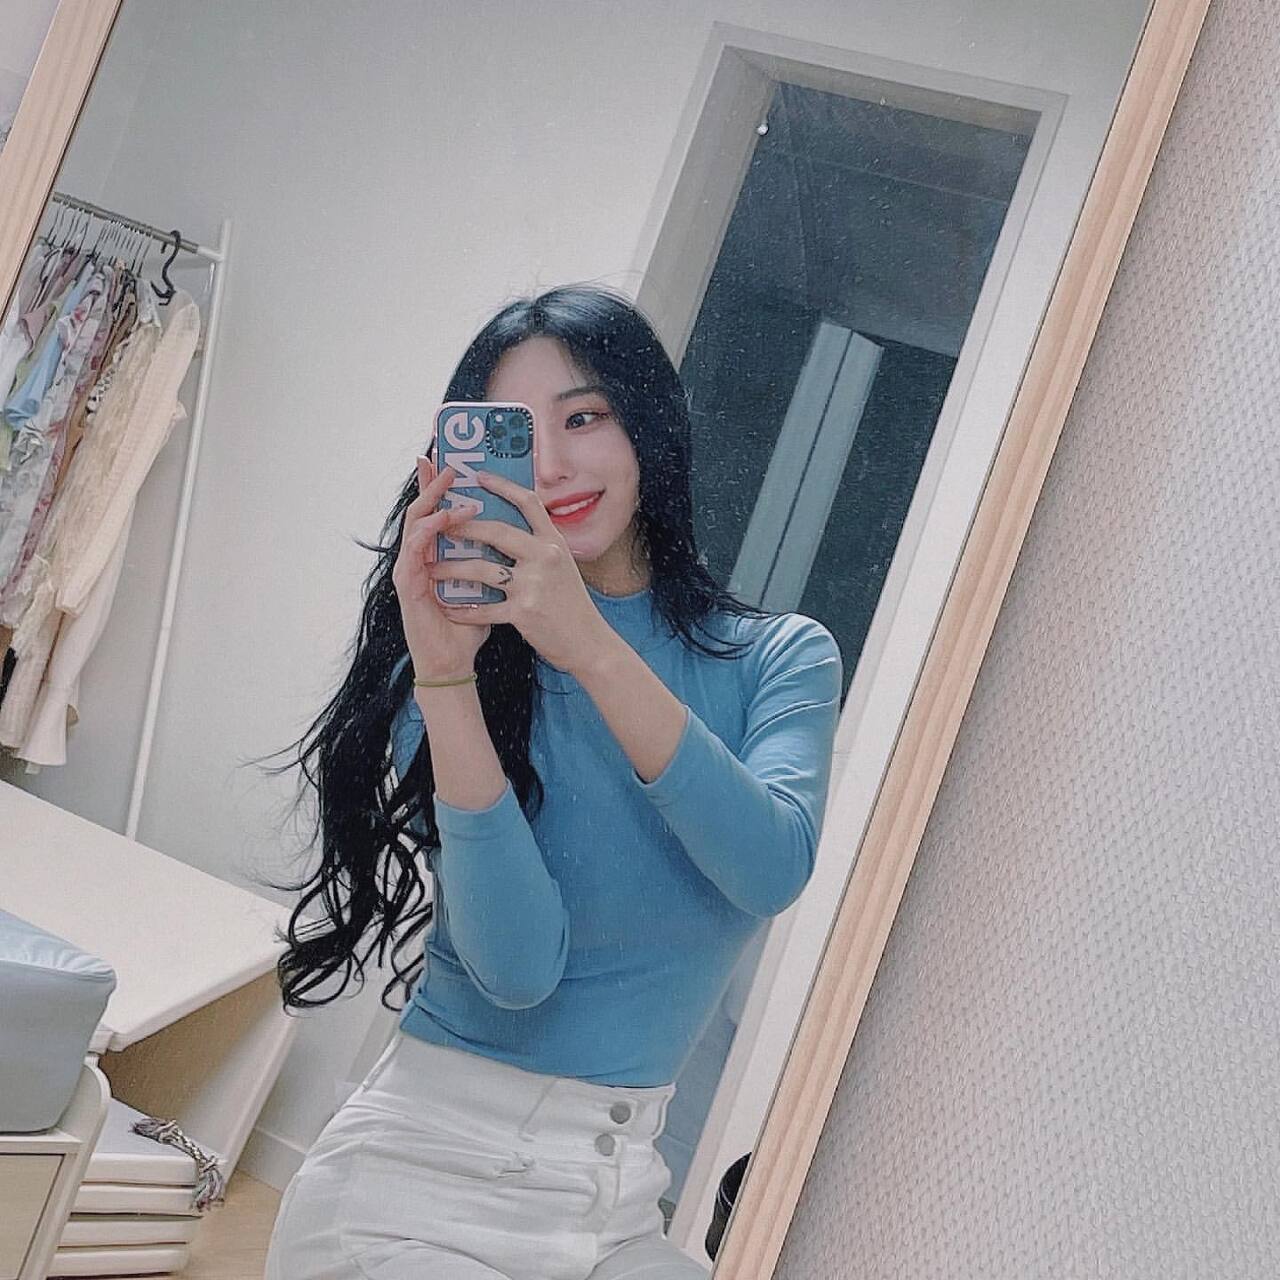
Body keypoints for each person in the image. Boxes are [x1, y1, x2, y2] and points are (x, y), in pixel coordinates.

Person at [264, 284, 842, 1279]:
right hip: (416, 1187)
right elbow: (518, 967)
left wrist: (588, 644)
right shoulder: (453, 666)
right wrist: (445, 678)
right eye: (515, 435)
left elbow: (769, 865)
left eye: (583, 418)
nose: (552, 466)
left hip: (612, 1210)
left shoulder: (778, 658)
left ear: (648, 426)